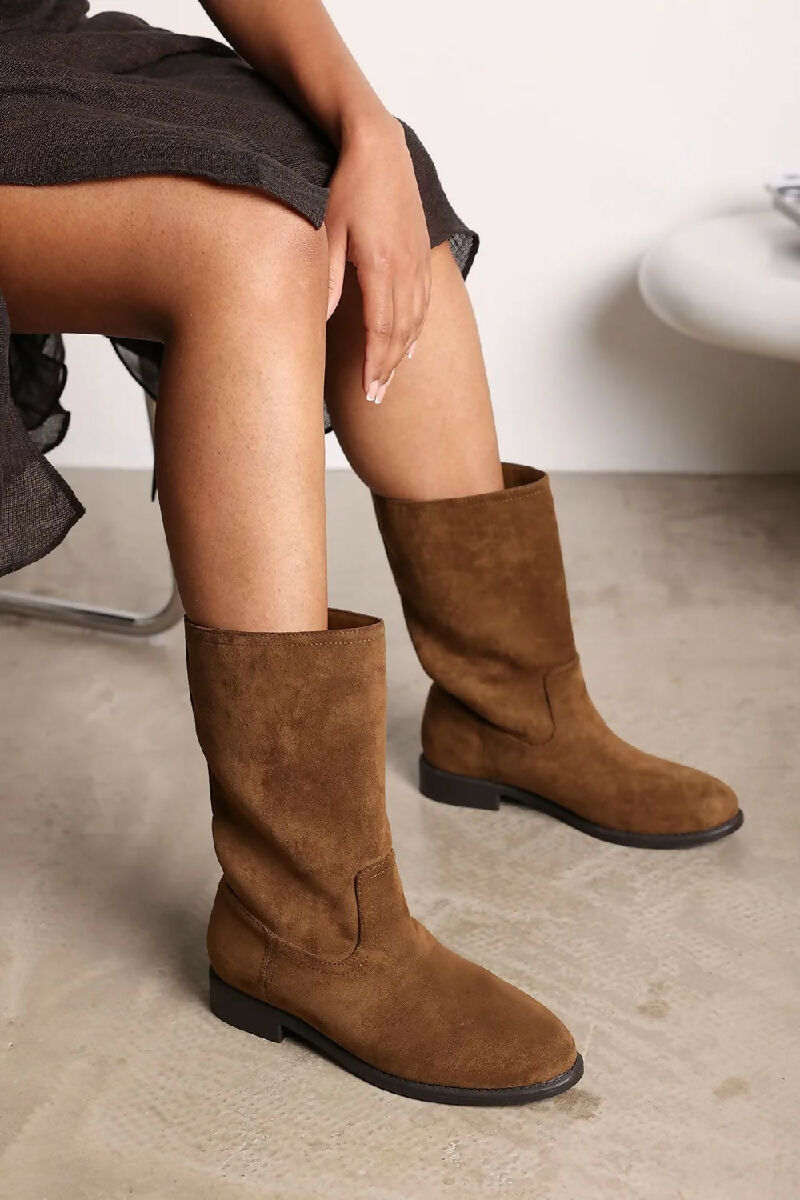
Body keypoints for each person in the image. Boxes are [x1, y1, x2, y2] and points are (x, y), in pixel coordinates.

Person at [0, 0, 742, 1106]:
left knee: (369, 182)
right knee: (252, 245)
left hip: (40, 56)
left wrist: (369, 126)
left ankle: (513, 708)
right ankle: (305, 921)